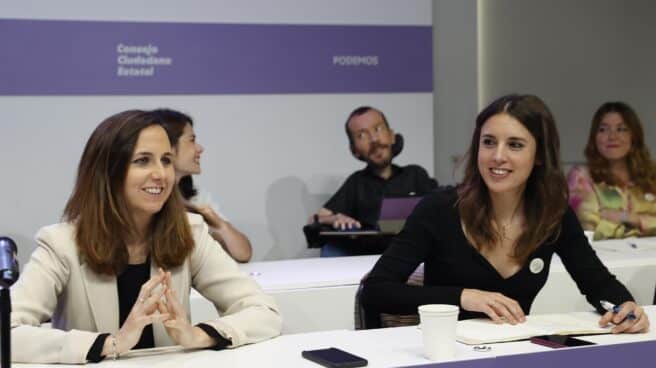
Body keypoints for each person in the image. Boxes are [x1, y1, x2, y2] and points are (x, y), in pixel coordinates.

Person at [361, 94, 649, 334]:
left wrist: (626, 307)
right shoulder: (439, 209)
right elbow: (376, 290)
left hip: (515, 354)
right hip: (447, 354)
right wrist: (465, 297)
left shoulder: (553, 214)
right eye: (488, 142)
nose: (498, 156)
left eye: (515, 145)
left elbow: (597, 283)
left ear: (538, 156)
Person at [10, 110, 281, 364]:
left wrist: (196, 335)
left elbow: (263, 312)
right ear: (108, 173)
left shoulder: (190, 232)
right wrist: (112, 343)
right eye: (142, 161)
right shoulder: (61, 243)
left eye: (166, 160)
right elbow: (6, 332)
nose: (160, 174)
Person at [311, 106, 437, 256]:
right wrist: (334, 218)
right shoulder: (356, 183)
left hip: (413, 257)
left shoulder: (415, 175)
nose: (374, 140)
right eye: (362, 136)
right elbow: (315, 218)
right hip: (367, 260)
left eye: (378, 129)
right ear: (354, 150)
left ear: (391, 135)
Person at [155, 108, 252, 262]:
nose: (200, 149)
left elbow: (243, 254)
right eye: (192, 140)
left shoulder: (197, 198)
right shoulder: (147, 199)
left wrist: (219, 224)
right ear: (168, 147)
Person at [567, 101, 656, 240]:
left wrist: (629, 218)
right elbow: (590, 230)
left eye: (621, 129)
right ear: (594, 137)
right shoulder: (581, 177)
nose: (612, 136)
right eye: (603, 129)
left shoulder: (652, 174)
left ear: (634, 136)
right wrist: (646, 224)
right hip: (607, 259)